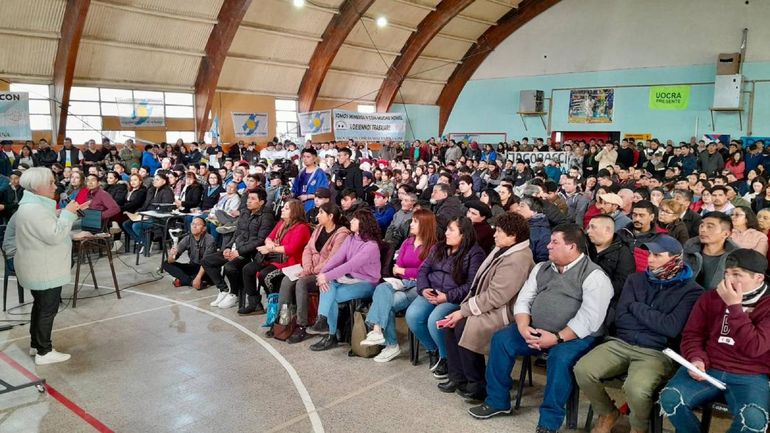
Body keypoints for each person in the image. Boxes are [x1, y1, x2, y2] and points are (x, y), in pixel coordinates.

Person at [467, 223, 614, 433]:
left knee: (559, 359)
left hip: (575, 337)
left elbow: (590, 319)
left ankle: (548, 421)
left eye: (555, 242)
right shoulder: (542, 268)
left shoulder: (595, 276)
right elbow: (524, 300)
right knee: (501, 340)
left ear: (572, 247)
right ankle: (498, 401)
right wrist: (523, 325)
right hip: (535, 329)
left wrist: (557, 338)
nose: (548, 246)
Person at [575, 235, 703, 433]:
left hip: (658, 351)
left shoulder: (692, 291)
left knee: (636, 388)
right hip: (622, 342)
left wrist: (636, 307)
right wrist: (652, 318)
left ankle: (638, 427)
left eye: (657, 255)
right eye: (649, 254)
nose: (650, 259)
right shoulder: (635, 279)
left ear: (675, 258)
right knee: (582, 370)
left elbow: (671, 327)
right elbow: (621, 319)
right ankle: (608, 412)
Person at [659, 248, 770, 433]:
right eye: (726, 273)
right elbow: (692, 334)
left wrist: (734, 306)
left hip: (751, 374)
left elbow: (755, 347)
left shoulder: (766, 305)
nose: (728, 280)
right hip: (709, 367)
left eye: (737, 275)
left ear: (758, 278)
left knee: (753, 420)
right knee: (671, 398)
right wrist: (696, 358)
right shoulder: (711, 297)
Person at [438, 213, 535, 400]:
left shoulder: (519, 258)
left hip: (504, 311)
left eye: (499, 231)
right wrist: (463, 309)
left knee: (464, 326)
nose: (494, 235)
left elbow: (497, 296)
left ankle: (477, 383)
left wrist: (464, 310)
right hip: (488, 305)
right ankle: (458, 377)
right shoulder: (503, 248)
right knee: (450, 322)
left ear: (513, 235)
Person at [14, 167, 90, 365]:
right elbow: (54, 235)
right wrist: (67, 214)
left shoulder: (32, 206)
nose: (54, 186)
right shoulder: (34, 210)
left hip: (38, 265)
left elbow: (45, 231)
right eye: (50, 183)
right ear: (37, 187)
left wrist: (69, 225)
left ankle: (36, 344)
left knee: (40, 307)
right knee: (47, 309)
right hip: (44, 268)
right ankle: (44, 351)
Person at [406, 217, 485, 380]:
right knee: (413, 316)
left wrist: (447, 296)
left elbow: (472, 285)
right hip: (432, 290)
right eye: (447, 229)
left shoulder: (474, 253)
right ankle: (433, 349)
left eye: (451, 230)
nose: (446, 233)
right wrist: (424, 288)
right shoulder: (439, 247)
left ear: (463, 234)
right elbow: (423, 270)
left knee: (435, 320)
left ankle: (446, 358)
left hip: (454, 297)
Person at [360, 209, 439, 362]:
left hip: (419, 287)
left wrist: (404, 271)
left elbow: (426, 271)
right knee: (382, 290)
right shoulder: (407, 242)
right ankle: (378, 332)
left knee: (385, 302)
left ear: (425, 224)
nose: (411, 224)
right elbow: (397, 268)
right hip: (403, 283)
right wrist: (406, 272)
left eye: (415, 221)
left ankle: (389, 344)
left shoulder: (433, 246)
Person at [307, 209, 382, 351]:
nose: (351, 222)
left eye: (354, 220)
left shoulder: (371, 246)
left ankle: (329, 333)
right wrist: (322, 274)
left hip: (367, 283)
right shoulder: (351, 238)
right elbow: (336, 259)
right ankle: (324, 324)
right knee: (327, 287)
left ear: (363, 223)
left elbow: (349, 265)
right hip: (350, 279)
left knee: (330, 294)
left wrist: (326, 277)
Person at [277, 203, 351, 343]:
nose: (317, 216)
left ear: (330, 216)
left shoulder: (342, 234)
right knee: (287, 280)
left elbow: (333, 260)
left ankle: (302, 325)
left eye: (321, 213)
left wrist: (311, 270)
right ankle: (283, 320)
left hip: (326, 273)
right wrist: (307, 267)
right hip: (309, 268)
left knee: (302, 283)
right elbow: (308, 249)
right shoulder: (318, 229)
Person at [203, 189, 275, 309]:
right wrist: (228, 247)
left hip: (252, 254)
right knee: (207, 261)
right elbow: (237, 233)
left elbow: (260, 240)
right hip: (237, 248)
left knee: (229, 267)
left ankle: (234, 293)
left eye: (253, 199)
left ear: (261, 202)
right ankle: (224, 290)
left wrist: (239, 252)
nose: (248, 201)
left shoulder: (267, 216)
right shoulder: (245, 212)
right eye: (248, 198)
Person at [239, 199, 311, 315]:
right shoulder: (282, 223)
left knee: (265, 276)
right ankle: (255, 303)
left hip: (291, 263)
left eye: (286, 208)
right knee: (248, 269)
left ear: (295, 212)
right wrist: (270, 244)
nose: (282, 209)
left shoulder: (302, 228)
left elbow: (290, 249)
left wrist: (270, 248)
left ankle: (276, 303)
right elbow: (268, 238)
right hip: (273, 258)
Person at [585, 214, 636, 317]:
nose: (588, 231)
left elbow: (622, 283)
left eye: (593, 227)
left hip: (606, 303)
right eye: (588, 227)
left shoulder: (623, 253)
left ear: (607, 230)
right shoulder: (585, 246)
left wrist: (596, 292)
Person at [684, 211, 739, 290]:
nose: (703, 230)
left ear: (726, 234)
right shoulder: (688, 251)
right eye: (701, 226)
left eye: (709, 227)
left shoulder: (736, 258)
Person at [122, 172, 174, 251]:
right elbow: (145, 205)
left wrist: (150, 214)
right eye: (154, 180)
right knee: (126, 224)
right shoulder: (151, 190)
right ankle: (143, 241)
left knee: (136, 226)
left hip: (159, 219)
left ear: (164, 181)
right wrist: (138, 212)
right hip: (147, 215)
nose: (154, 181)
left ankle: (146, 243)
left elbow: (165, 208)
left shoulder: (167, 191)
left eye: (157, 180)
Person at [163, 217, 216, 288]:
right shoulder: (187, 239)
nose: (194, 226)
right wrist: (172, 255)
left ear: (204, 228)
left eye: (198, 224)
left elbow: (206, 263)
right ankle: (191, 282)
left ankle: (188, 280)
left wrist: (198, 277)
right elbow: (171, 261)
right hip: (194, 266)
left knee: (200, 276)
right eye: (193, 224)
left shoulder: (210, 239)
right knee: (166, 264)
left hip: (207, 269)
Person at [618, 200, 662, 272]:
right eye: (635, 215)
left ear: (651, 217)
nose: (637, 219)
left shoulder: (659, 238)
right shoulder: (622, 233)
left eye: (641, 215)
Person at [511, 195, 550, 263]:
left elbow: (543, 260)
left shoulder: (542, 233)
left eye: (522, 206)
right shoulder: (519, 225)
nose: (517, 209)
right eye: (518, 205)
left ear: (534, 211)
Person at [292, 147, 329, 213]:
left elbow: (323, 193)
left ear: (314, 158)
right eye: (304, 157)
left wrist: (307, 196)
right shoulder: (301, 172)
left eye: (308, 157)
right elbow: (294, 189)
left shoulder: (319, 173)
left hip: (311, 205)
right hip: (299, 205)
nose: (305, 159)